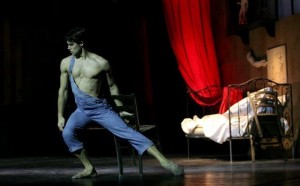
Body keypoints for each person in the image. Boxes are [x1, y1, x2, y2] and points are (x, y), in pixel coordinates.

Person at [57, 27, 184, 179]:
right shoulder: (66, 63)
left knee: (128, 132)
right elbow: (63, 91)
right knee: (67, 133)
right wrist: (60, 115)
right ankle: (89, 168)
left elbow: (112, 87)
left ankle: (166, 163)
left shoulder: (101, 63)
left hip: (100, 109)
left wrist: (120, 109)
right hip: (81, 110)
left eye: (71, 44)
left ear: (81, 43)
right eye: (68, 44)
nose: (68, 48)